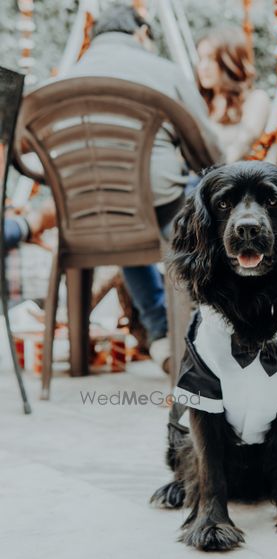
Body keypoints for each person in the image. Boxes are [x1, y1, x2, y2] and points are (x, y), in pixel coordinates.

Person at [60, 5, 224, 364]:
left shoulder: (61, 80)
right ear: (140, 34)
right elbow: (210, 154)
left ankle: (160, 331)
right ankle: (211, 327)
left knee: (130, 220)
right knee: (193, 203)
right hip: (157, 206)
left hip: (83, 212)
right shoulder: (165, 71)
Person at [196, 26, 270, 163]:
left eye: (211, 59)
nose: (203, 67)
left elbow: (240, 149)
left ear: (229, 61)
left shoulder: (256, 99)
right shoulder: (202, 103)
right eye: (200, 59)